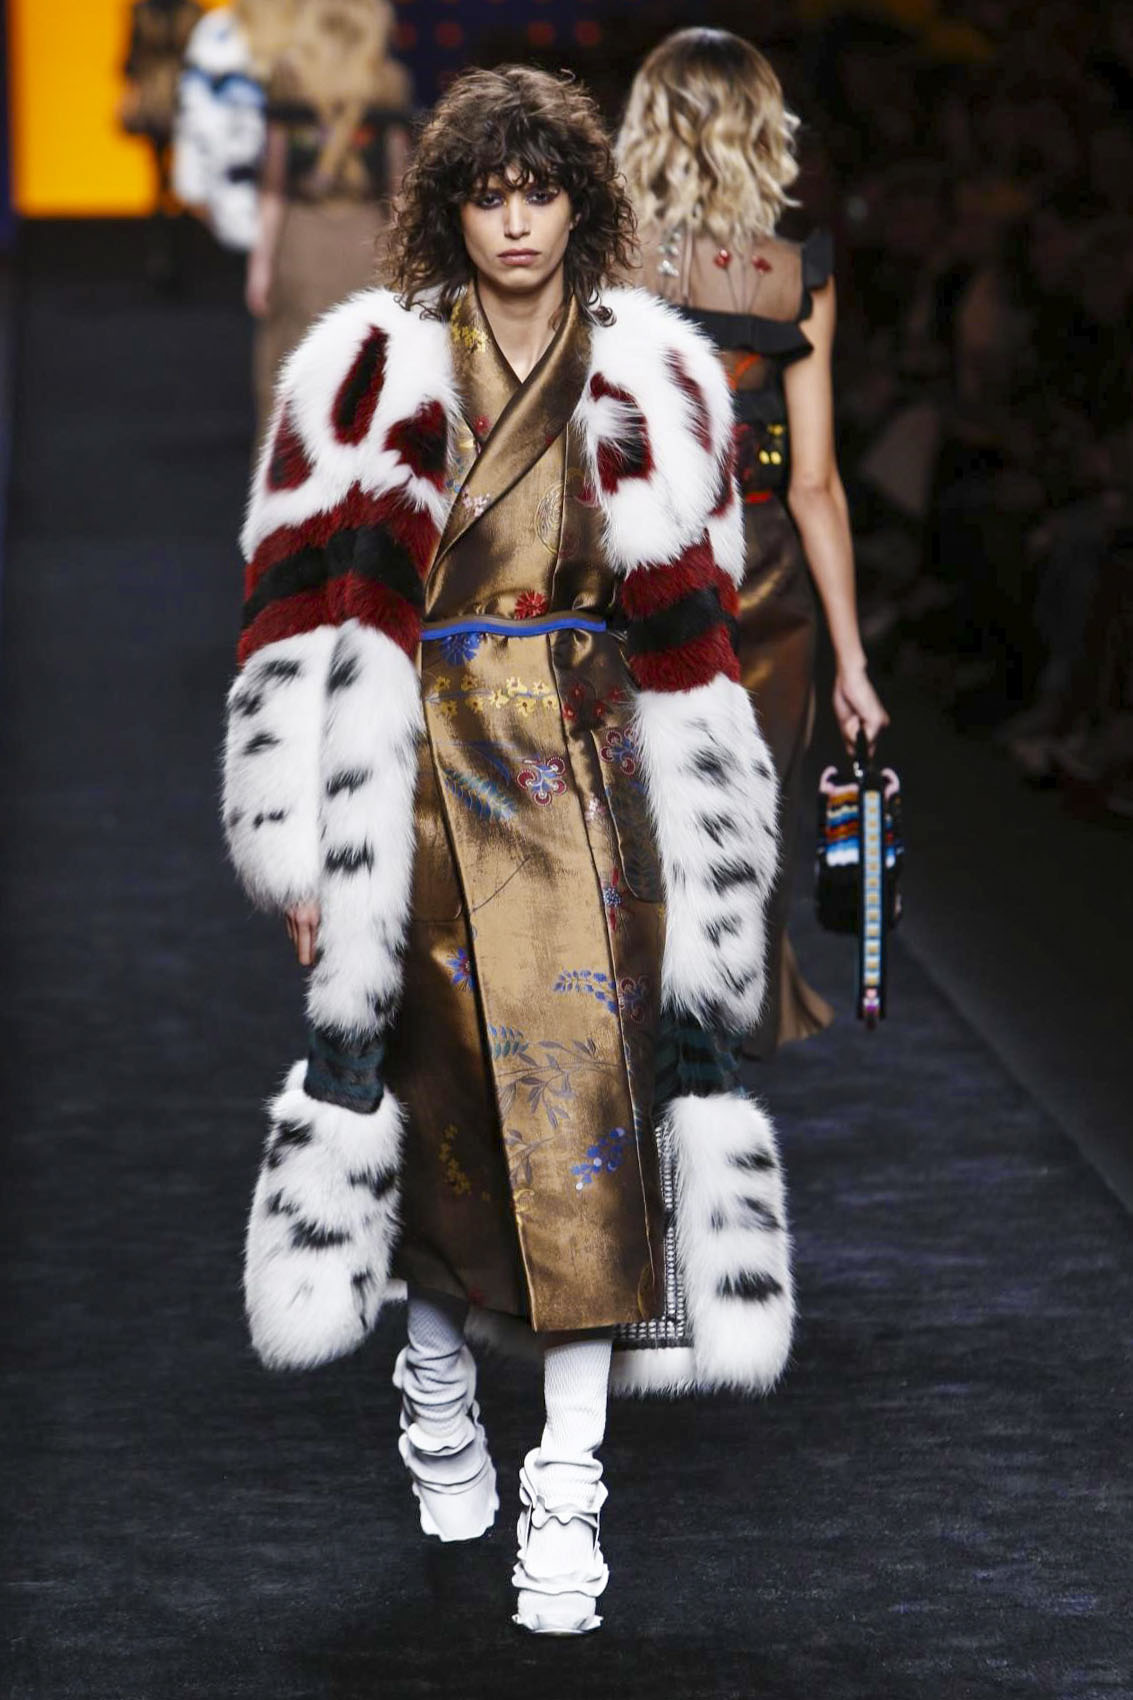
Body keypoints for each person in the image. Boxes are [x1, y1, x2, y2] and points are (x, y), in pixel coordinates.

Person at [222, 64, 794, 1634]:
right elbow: (288, 615)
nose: (518, 222)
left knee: (591, 1126)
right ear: (451, 207)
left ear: (582, 203)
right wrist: (298, 843)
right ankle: (434, 1378)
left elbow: (697, 637)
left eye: (542, 191)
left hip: (596, 790)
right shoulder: (367, 371)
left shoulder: (655, 374)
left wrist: (713, 850)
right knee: (436, 1117)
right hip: (411, 788)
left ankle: (570, 1487)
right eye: (491, 194)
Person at [618, 28, 889, 1054]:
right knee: (744, 823)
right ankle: (719, 1051)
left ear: (647, 123)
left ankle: (633, 1048)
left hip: (637, 561)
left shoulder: (598, 261)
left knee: (636, 820)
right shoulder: (794, 269)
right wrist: (852, 661)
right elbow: (814, 480)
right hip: (762, 563)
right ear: (761, 127)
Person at [245, 0, 413, 435]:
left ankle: (292, 470)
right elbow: (397, 188)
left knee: (293, 371)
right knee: (367, 376)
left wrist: (261, 264)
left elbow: (275, 185)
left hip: (301, 242)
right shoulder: (387, 79)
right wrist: (409, 260)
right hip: (367, 242)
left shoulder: (289, 76)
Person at [173, 0, 297, 256]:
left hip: (293, 198)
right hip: (232, 185)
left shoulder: (301, 29)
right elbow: (196, 114)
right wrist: (193, 184)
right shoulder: (218, 31)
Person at [119, 0, 203, 283]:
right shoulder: (180, 12)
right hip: (167, 100)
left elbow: (131, 62)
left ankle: (171, 246)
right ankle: (166, 247)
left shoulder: (177, 11)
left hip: (175, 99)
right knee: (165, 177)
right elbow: (131, 60)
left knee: (173, 177)